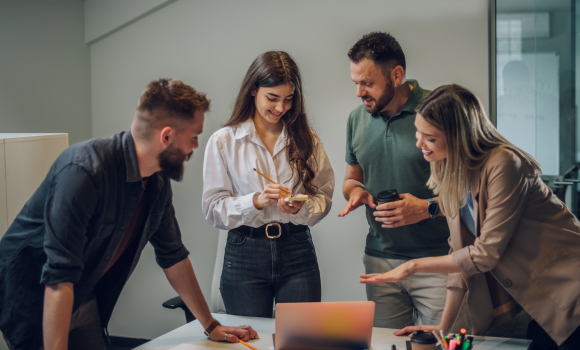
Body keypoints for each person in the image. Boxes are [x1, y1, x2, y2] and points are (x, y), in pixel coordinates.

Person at [0, 79, 257, 350]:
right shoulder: (84, 171)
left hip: (83, 292)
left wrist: (211, 325)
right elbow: (58, 278)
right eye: (193, 137)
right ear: (166, 136)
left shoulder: (157, 182)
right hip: (34, 295)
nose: (195, 147)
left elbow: (174, 257)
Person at [360, 84, 580, 349]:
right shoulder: (454, 174)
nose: (419, 143)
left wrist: (414, 265)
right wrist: (443, 328)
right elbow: (460, 258)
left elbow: (485, 254)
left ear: (457, 137)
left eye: (430, 138)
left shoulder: (504, 163)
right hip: (545, 299)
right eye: (418, 132)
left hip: (570, 285)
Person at [202, 51, 334, 317]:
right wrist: (254, 201)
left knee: (301, 339)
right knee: (252, 340)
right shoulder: (223, 141)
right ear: (253, 90)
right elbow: (212, 210)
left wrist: (299, 208)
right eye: (272, 98)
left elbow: (324, 196)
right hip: (244, 254)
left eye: (288, 99)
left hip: (296, 248)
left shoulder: (307, 139)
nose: (280, 108)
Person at [338, 32, 450, 328]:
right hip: (380, 260)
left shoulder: (439, 110)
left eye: (367, 83)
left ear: (397, 75)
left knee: (441, 347)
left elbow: (472, 194)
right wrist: (356, 192)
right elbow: (351, 178)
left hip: (439, 260)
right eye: (356, 83)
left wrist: (426, 207)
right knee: (388, 345)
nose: (359, 92)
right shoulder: (356, 119)